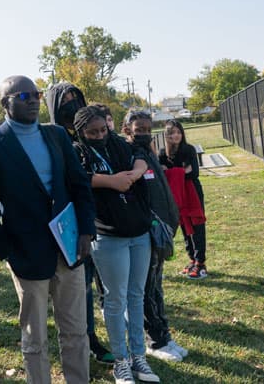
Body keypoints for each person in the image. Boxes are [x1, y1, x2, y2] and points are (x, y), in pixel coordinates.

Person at [0, 75, 96, 384]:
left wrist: (85, 231)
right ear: (5, 104)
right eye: (24, 96)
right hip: (27, 257)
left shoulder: (56, 135)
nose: (33, 100)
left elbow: (80, 185)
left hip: (69, 250)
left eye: (36, 94)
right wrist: (8, 253)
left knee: (76, 332)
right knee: (35, 338)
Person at [72, 105, 160, 384]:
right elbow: (78, 179)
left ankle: (138, 358)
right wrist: (112, 181)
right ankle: (120, 362)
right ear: (81, 132)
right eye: (92, 132)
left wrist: (130, 177)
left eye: (103, 129)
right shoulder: (78, 151)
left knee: (136, 295)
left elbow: (141, 160)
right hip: (108, 236)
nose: (99, 135)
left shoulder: (119, 144)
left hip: (139, 232)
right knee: (115, 299)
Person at [45, 83, 114, 364]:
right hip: (73, 224)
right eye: (65, 101)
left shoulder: (93, 131)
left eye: (76, 98)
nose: (72, 105)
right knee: (81, 288)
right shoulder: (52, 139)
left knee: (107, 285)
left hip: (106, 219)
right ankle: (89, 341)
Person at [121, 110, 187, 362]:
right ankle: (155, 340)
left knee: (156, 287)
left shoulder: (148, 151)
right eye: (139, 130)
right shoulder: (129, 156)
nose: (144, 134)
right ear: (127, 130)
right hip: (148, 233)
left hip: (163, 231)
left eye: (148, 130)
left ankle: (164, 335)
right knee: (147, 289)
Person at [159, 119, 207, 279]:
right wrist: (181, 171)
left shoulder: (189, 149)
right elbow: (162, 174)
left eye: (179, 132)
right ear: (167, 135)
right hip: (176, 194)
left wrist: (172, 171)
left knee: (196, 224)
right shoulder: (162, 154)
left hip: (192, 192)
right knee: (184, 226)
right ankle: (192, 260)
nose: (176, 135)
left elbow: (194, 173)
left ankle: (201, 263)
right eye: (172, 133)